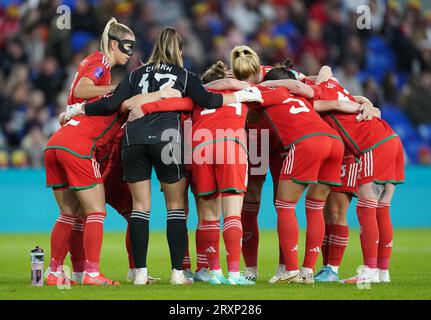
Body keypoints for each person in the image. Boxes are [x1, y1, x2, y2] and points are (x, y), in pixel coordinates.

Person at [64, 27, 263, 285]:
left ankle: (140, 273)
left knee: (140, 209)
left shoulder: (136, 75)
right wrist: (240, 94)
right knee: (176, 208)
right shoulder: (184, 75)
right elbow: (209, 100)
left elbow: (110, 103)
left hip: (133, 138)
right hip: (168, 139)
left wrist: (77, 109)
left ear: (154, 47)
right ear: (179, 51)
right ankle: (178, 273)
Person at [45, 17, 136, 286]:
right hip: (79, 142)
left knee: (69, 214)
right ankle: (92, 273)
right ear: (112, 44)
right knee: (96, 211)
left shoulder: (91, 61)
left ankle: (54, 272)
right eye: (127, 46)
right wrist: (116, 91)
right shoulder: (102, 64)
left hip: (57, 141)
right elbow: (83, 88)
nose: (130, 52)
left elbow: (78, 93)